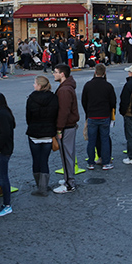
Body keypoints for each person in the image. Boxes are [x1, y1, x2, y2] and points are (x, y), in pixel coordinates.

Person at [25, 75, 59, 196]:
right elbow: (56, 115)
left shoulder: (31, 98)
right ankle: (43, 187)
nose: (33, 85)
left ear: (39, 85)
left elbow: (28, 117)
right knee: (44, 160)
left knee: (36, 160)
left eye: (35, 83)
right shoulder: (54, 98)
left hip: (34, 132)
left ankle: (39, 185)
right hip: (49, 133)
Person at [81, 63, 117, 170]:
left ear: (95, 72)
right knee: (105, 139)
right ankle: (106, 162)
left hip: (92, 115)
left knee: (91, 140)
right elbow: (113, 102)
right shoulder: (108, 86)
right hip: (104, 115)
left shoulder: (88, 85)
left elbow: (84, 101)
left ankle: (91, 162)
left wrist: (88, 112)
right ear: (104, 73)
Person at [52, 64, 80, 193]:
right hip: (69, 125)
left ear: (62, 74)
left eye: (56, 72)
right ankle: (68, 179)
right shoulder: (67, 87)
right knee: (67, 153)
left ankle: (69, 183)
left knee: (66, 154)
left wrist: (59, 128)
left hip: (66, 126)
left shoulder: (64, 90)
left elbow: (63, 111)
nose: (54, 74)